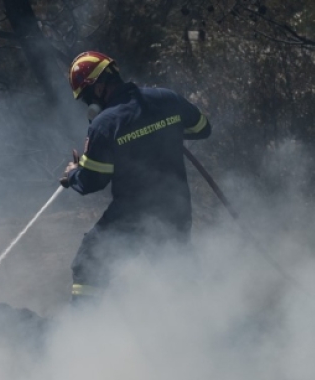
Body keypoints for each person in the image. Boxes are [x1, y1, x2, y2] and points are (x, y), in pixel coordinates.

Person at [60, 51, 212, 302]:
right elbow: (202, 128)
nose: (88, 105)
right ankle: (200, 326)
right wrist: (164, 133)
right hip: (178, 209)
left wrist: (74, 173)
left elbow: (93, 180)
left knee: (88, 263)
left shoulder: (105, 124)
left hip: (132, 216)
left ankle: (86, 328)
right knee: (173, 271)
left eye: (86, 97)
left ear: (98, 88)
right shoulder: (166, 97)